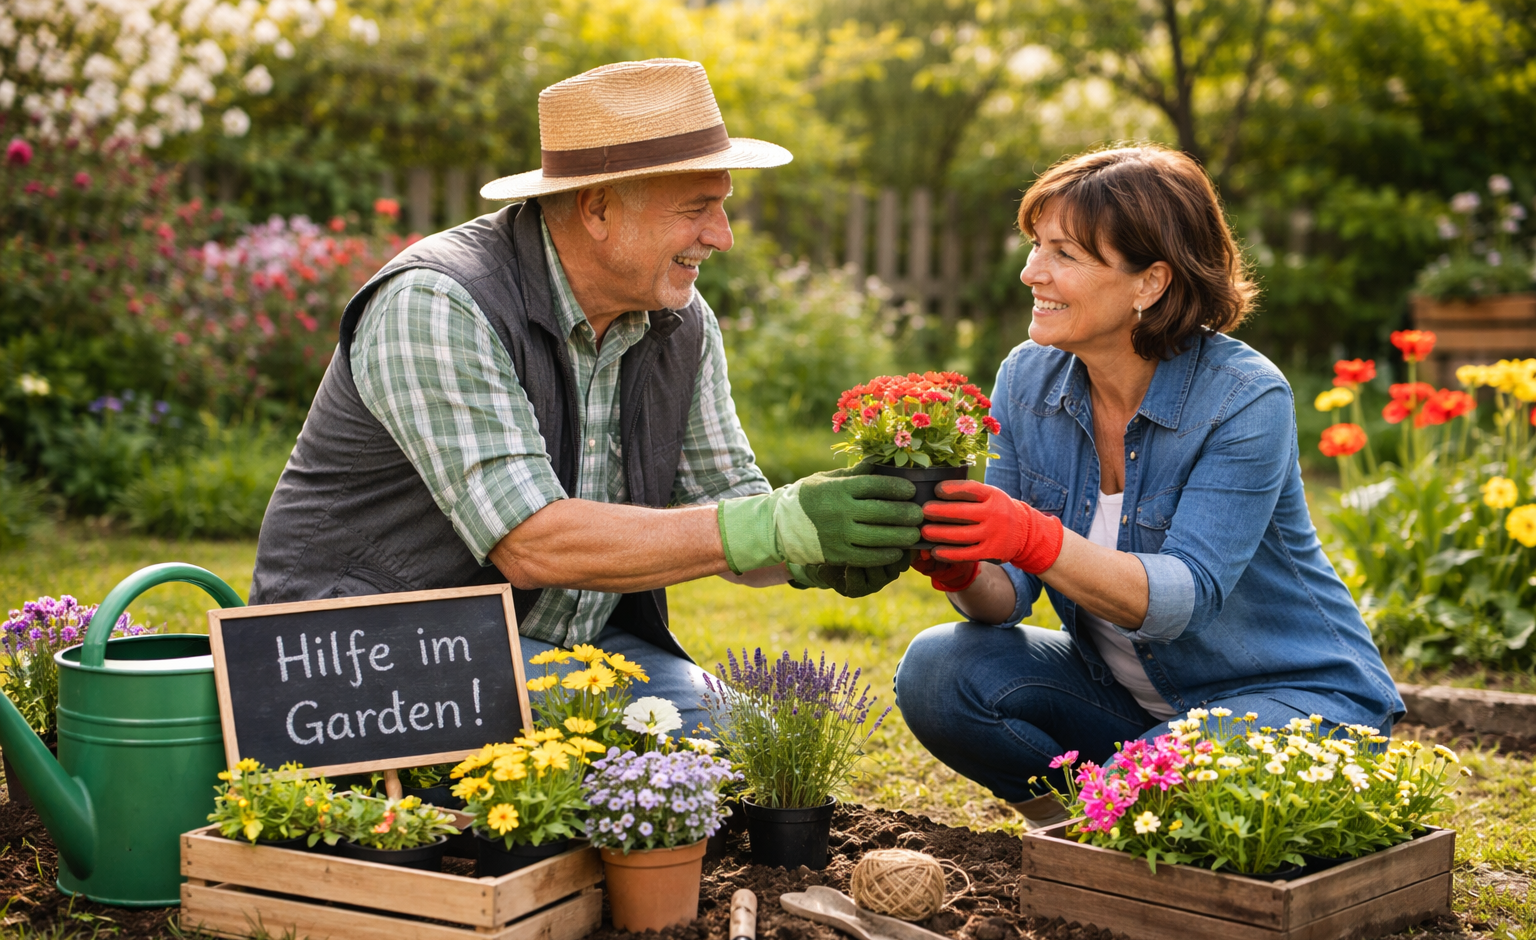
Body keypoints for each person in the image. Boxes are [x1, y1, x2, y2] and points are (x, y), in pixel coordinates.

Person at [250, 59, 920, 734]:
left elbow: (727, 505)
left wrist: (825, 550)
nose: (722, 236)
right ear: (596, 207)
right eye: (697, 209)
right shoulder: (438, 303)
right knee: (663, 764)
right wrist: (781, 523)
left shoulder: (680, 322)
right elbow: (531, 543)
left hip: (572, 650)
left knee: (755, 745)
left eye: (721, 207)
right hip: (371, 657)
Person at [892, 145, 1404, 824]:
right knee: (940, 671)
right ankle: (1077, 832)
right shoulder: (1028, 378)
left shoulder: (1244, 399)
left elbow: (1179, 600)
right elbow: (1007, 599)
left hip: (1290, 695)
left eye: (1063, 254)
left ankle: (1114, 822)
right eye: (1034, 245)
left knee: (1141, 786)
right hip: (1128, 701)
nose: (1029, 272)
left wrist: (1033, 537)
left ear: (1150, 283)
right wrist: (964, 568)